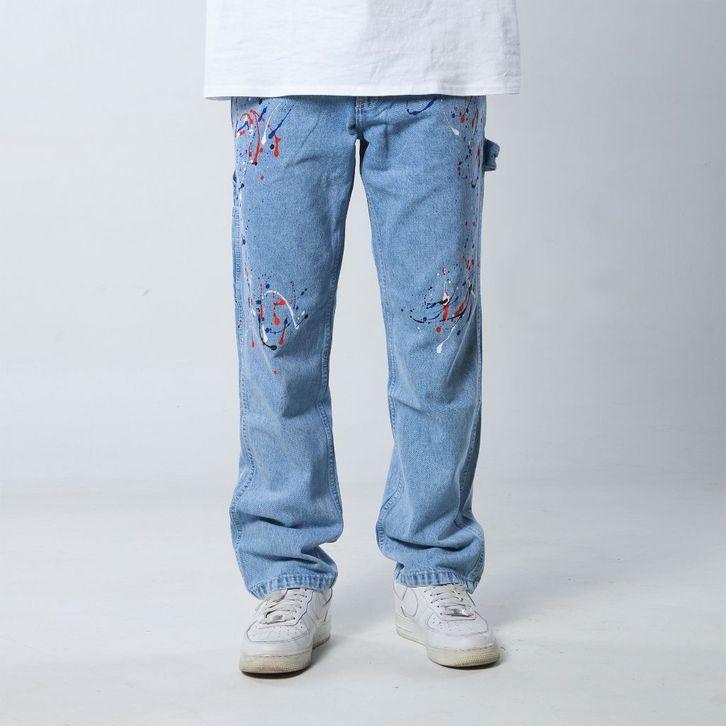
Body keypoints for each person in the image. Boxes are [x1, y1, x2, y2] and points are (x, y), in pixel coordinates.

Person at [204, 0, 521, 674]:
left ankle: (434, 566)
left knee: (437, 338)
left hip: (439, 49)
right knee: (278, 339)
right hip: (280, 51)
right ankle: (287, 573)